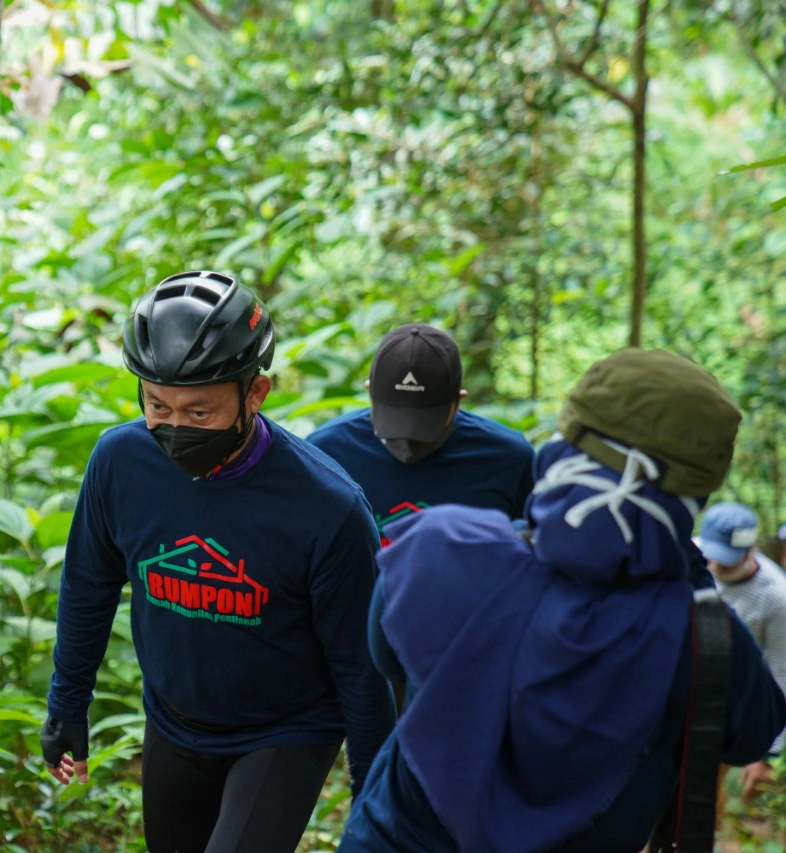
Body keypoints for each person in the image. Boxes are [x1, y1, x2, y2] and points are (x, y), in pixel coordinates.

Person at [339, 348, 786, 853]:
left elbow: (387, 658)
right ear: (694, 494)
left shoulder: (443, 548)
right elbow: (755, 732)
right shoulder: (703, 636)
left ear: (564, 447)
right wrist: (686, 569)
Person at [41, 270, 394, 853]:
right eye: (157, 405)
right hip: (174, 721)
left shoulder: (327, 507)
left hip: (286, 732)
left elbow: (361, 664)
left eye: (200, 413)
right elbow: (87, 585)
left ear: (255, 393)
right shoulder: (120, 463)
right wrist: (67, 703)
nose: (176, 427)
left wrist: (375, 794)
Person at [309, 324, 534, 547]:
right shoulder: (325, 453)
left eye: (424, 422)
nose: (407, 443)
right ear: (369, 392)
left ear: (458, 402)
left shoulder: (509, 459)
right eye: (395, 419)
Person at [697, 502, 786, 801]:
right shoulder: (688, 559)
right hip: (679, 685)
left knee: (702, 792)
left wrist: (769, 753)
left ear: (752, 550)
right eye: (712, 555)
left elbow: (782, 672)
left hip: (725, 702)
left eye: (727, 560)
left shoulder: (775, 597)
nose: (716, 565)